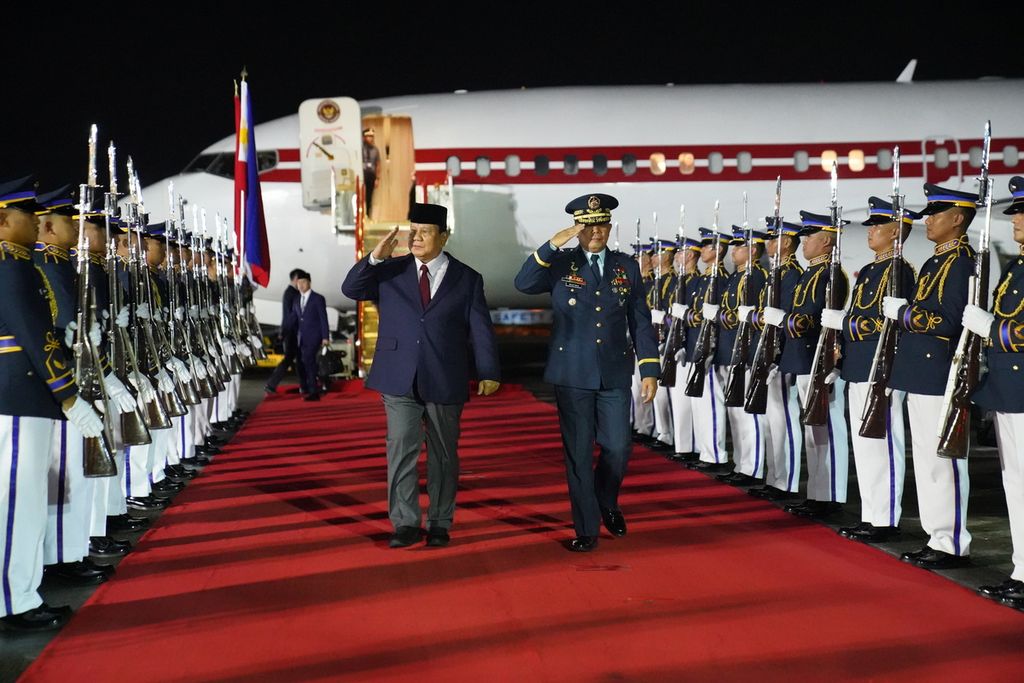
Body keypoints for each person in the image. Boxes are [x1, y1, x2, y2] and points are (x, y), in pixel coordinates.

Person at [342, 203, 500, 548]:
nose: (415, 236)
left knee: (444, 455)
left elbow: (481, 328)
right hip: (398, 375)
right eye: (413, 230)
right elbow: (351, 289)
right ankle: (405, 523)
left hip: (445, 375)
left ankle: (440, 522)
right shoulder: (390, 271)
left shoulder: (467, 278)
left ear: (444, 236)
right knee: (401, 450)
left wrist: (488, 370)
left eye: (425, 231)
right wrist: (374, 258)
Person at [515, 193, 659, 552]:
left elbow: (639, 319)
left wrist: (649, 368)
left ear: (610, 226)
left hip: (613, 371)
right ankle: (586, 530)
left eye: (601, 224)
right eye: (588, 225)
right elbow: (523, 283)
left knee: (618, 448)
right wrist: (552, 245)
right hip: (572, 372)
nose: (596, 231)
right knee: (579, 455)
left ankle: (606, 501)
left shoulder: (626, 266)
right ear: (578, 228)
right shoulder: (561, 264)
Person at [0, 176, 104, 631]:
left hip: (28, 395)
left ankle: (22, 592)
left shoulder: (21, 265)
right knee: (16, 504)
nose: (36, 226)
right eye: (29, 217)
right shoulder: (8, 266)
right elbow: (31, 336)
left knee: (28, 502)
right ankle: (13, 601)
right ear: (5, 221)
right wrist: (67, 393)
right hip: (18, 394)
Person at [883, 183, 977, 570]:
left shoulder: (962, 261)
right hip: (920, 370)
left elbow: (948, 320)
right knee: (925, 459)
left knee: (944, 462)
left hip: (940, 370)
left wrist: (904, 314)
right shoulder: (937, 260)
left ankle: (952, 541)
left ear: (957, 219)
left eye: (936, 214)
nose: (928, 221)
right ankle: (936, 535)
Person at [824, 197, 918, 543]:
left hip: (882, 368)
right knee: (865, 446)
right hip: (859, 366)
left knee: (883, 446)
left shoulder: (899, 271)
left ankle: (885, 519)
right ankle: (872, 514)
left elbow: (888, 324)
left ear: (896, 233)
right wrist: (841, 356)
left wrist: (845, 323)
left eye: (878, 226)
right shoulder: (870, 271)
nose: (871, 232)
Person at [763, 210, 850, 518]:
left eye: (809, 236)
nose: (803, 242)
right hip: (801, 358)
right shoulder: (810, 274)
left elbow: (815, 320)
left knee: (828, 430)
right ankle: (817, 493)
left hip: (819, 358)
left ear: (827, 240)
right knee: (814, 432)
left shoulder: (830, 274)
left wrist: (783, 320)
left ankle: (831, 496)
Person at [971, 176, 1024, 608]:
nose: (1016, 221)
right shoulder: (1017, 268)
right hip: (1009, 391)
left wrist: (991, 328)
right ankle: (1022, 569)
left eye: (1023, 213)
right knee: (1015, 483)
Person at [746, 219, 804, 501]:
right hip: (767, 349)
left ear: (788, 242)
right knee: (773, 419)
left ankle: (786, 480)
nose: (768, 245)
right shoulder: (776, 273)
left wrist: (776, 354)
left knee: (784, 419)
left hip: (780, 353)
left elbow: (787, 314)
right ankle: (775, 476)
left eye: (774, 240)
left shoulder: (791, 274)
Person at [715, 227, 768, 485]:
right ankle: (741, 463)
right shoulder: (737, 277)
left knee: (749, 415)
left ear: (753, 250)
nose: (733, 251)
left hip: (746, 350)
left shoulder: (756, 276)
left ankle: (753, 467)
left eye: (739, 247)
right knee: (735, 412)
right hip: (731, 349)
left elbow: (756, 317)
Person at [684, 227, 730, 473]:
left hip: (709, 349)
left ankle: (714, 454)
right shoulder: (705, 278)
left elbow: (712, 317)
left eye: (706, 246)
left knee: (711, 403)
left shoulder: (719, 277)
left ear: (718, 250)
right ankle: (706, 450)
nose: (701, 251)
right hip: (696, 346)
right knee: (700, 403)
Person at [666, 238, 702, 462]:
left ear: (689, 255)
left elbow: (698, 315)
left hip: (693, 347)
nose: (676, 255)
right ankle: (684, 445)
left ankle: (699, 450)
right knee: (679, 402)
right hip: (678, 347)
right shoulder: (680, 281)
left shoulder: (697, 281)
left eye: (680, 252)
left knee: (697, 406)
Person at [287, 271, 329, 401]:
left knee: (309, 362)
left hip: (314, 336)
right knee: (306, 363)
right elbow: (294, 318)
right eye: (299, 283)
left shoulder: (318, 298)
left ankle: (313, 392)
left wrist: (325, 336)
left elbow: (323, 318)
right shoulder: (296, 299)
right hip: (302, 338)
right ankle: (315, 387)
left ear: (309, 283)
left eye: (303, 282)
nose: (301, 285)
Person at [265, 268, 304, 394]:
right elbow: (291, 316)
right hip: (292, 332)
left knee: (297, 359)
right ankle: (271, 384)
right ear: (296, 279)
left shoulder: (289, 293)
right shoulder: (292, 294)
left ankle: (305, 384)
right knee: (291, 358)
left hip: (290, 331)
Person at [362, 128, 381, 219]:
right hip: (362, 174)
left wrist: (377, 178)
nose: (371, 138)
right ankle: (360, 215)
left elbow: (378, 164)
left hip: (371, 175)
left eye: (372, 136)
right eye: (368, 136)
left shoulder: (375, 150)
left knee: (369, 197)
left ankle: (368, 216)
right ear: (364, 137)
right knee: (361, 196)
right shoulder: (361, 148)